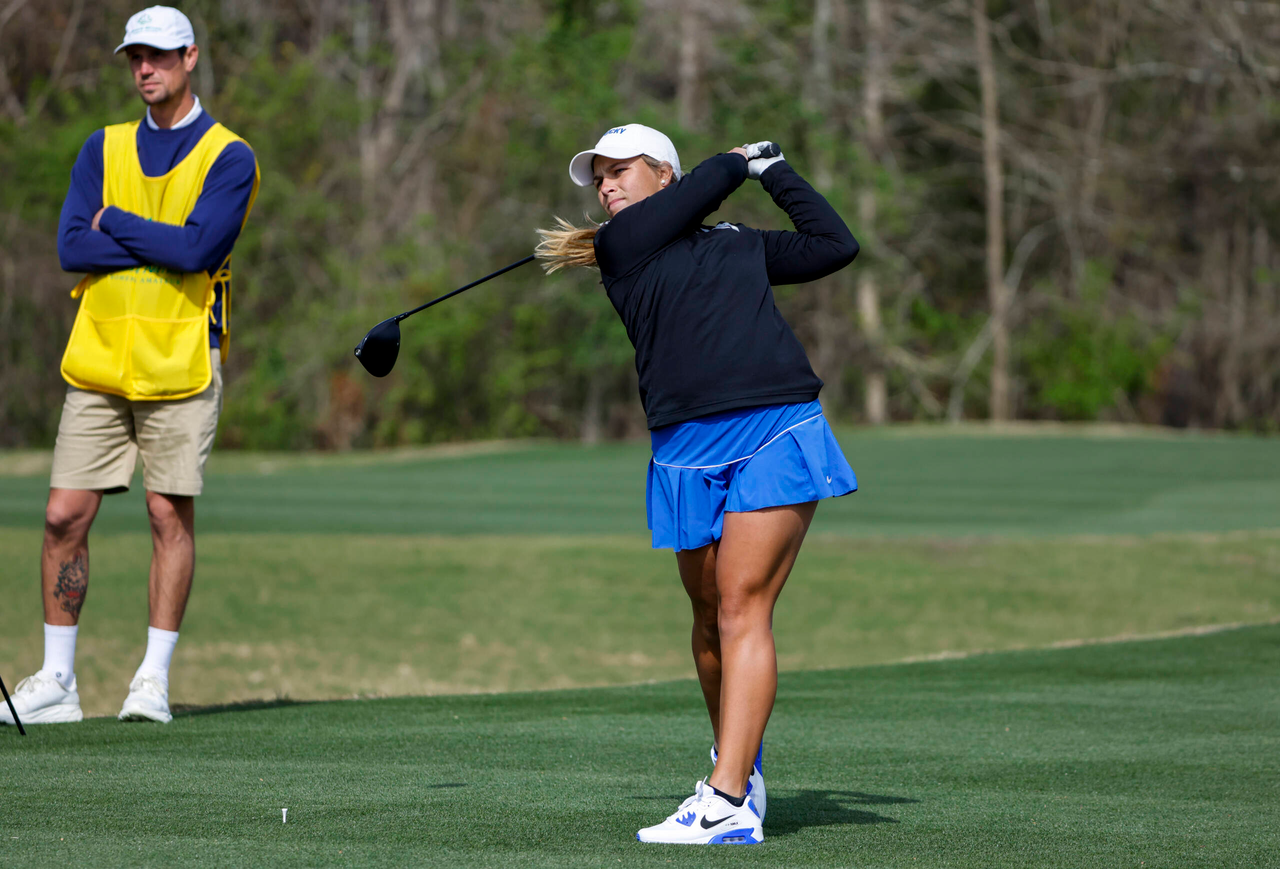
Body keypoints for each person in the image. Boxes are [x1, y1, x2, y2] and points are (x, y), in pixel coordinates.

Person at [537, 124, 858, 844]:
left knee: (744, 606)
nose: (606, 185)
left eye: (621, 171)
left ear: (663, 175)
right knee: (710, 618)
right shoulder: (622, 250)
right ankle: (739, 756)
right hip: (685, 449)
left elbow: (834, 245)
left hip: (775, 429)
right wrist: (736, 161)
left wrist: (774, 171)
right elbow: (698, 193)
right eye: (600, 177)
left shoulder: (738, 243)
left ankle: (728, 800)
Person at [0, 6, 259, 727]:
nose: (145, 69)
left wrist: (116, 223)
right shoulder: (102, 147)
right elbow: (71, 248)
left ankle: (151, 678)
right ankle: (57, 680)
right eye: (135, 57)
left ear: (191, 58)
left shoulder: (229, 155)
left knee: (165, 513)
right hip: (100, 357)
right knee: (62, 515)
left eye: (159, 56)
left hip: (181, 357)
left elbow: (198, 251)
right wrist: (151, 238)